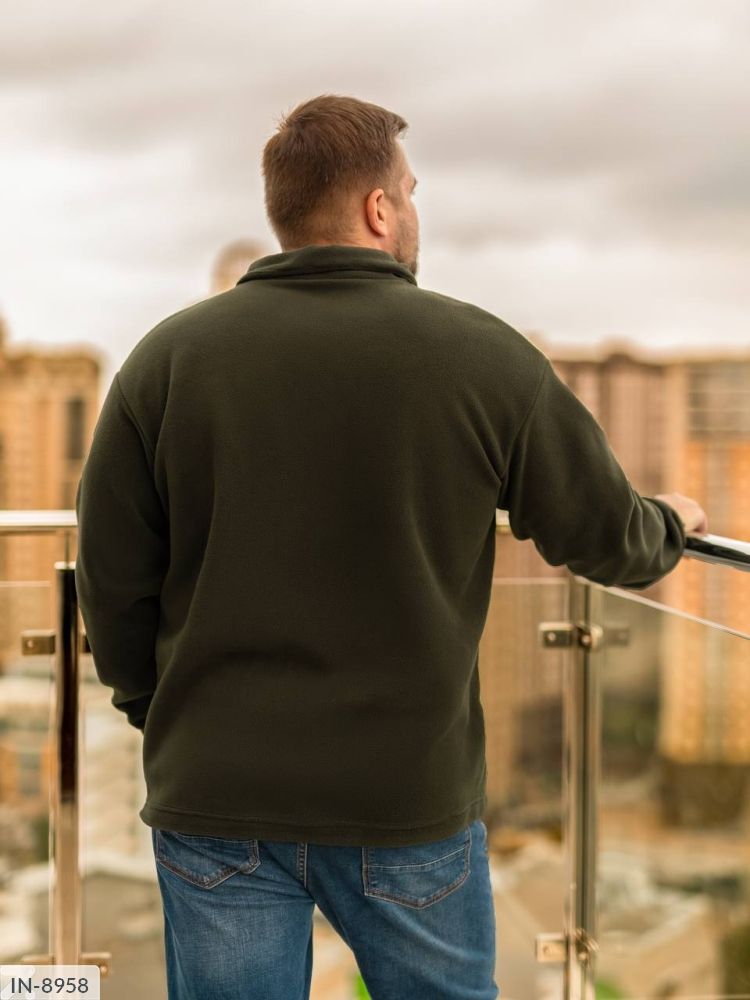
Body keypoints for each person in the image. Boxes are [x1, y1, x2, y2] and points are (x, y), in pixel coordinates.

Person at [74, 94, 708, 1000]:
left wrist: (166, 713)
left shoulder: (164, 360)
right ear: (379, 208)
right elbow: (610, 540)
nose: (413, 210)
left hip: (216, 786)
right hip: (406, 799)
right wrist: (672, 520)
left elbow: (111, 579)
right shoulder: (482, 356)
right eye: (409, 192)